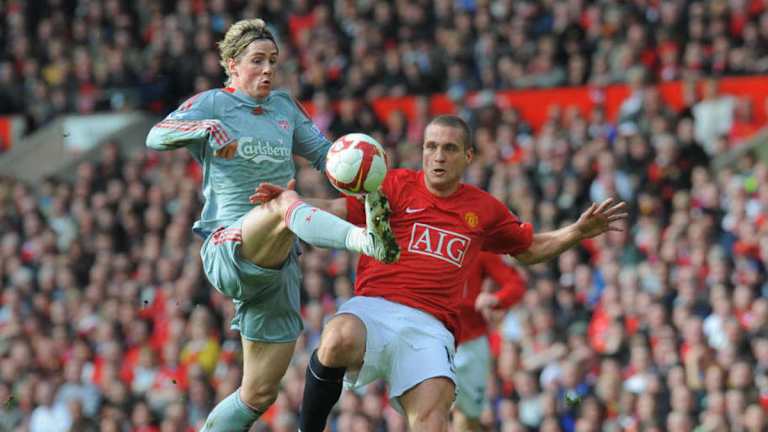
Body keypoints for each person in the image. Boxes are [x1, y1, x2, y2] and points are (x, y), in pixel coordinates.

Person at [253, 114, 628, 431]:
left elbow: (529, 249)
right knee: (336, 337)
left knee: (434, 421)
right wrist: (287, 202)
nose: (438, 156)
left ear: (468, 156)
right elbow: (338, 210)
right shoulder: (393, 184)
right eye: (431, 147)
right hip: (375, 307)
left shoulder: (484, 209)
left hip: (431, 327)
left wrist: (576, 232)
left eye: (449, 148)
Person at [145, 18, 399, 432]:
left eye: (273, 61)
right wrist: (205, 127)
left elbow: (326, 158)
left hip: (278, 262)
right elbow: (156, 136)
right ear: (232, 65)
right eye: (257, 61)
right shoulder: (214, 103)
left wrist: (364, 164)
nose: (267, 70)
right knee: (284, 203)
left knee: (259, 393)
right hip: (229, 244)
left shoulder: (284, 107)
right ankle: (366, 241)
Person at [453, 252, 527, 432]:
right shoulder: (421, 243)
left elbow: (515, 283)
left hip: (470, 343)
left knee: (470, 415)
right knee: (430, 409)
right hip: (434, 339)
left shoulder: (479, 249)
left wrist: (496, 298)